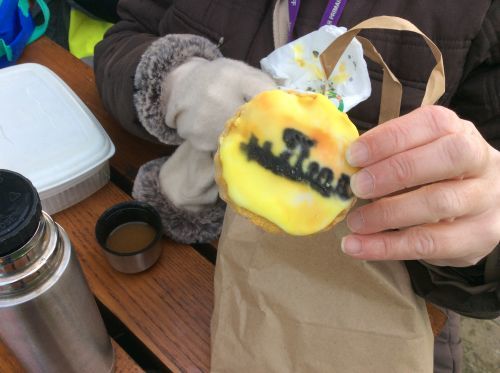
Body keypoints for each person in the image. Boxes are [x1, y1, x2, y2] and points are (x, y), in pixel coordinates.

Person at [94, 1, 500, 371]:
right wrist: (175, 79)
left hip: (378, 299)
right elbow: (123, 39)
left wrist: (483, 220)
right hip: (197, 272)